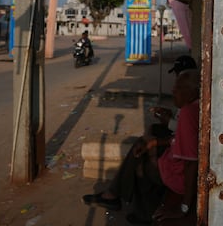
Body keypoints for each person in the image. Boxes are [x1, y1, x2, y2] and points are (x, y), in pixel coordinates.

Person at [82, 69, 200, 225]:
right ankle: (119, 198)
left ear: (192, 93)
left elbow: (191, 163)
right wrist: (156, 142)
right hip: (176, 164)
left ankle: (136, 209)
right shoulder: (194, 107)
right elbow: (183, 141)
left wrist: (183, 207)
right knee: (143, 146)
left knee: (140, 166)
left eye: (178, 88)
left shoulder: (188, 112)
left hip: (178, 177)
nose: (173, 91)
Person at [149, 55, 197, 140]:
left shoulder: (190, 108)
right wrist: (170, 115)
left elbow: (185, 131)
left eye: (178, 87)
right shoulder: (187, 104)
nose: (173, 91)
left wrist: (168, 121)